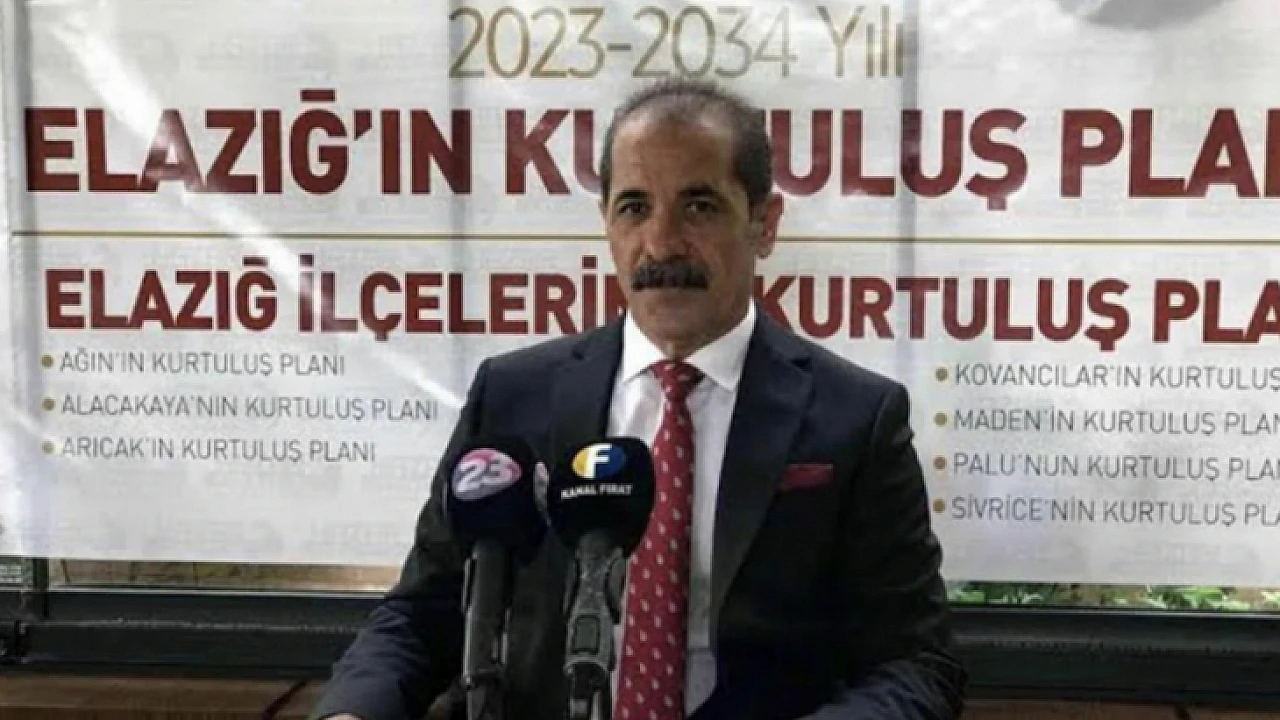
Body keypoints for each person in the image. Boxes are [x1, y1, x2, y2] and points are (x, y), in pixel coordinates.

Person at [311, 77, 967, 720]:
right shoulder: (512, 396)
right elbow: (421, 614)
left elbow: (914, 663)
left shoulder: (857, 419)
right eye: (634, 207)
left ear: (764, 224)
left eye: (699, 206)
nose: (661, 243)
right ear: (605, 223)